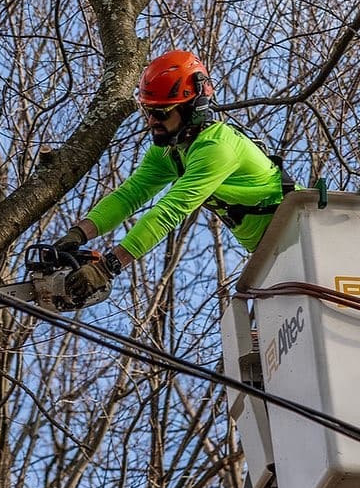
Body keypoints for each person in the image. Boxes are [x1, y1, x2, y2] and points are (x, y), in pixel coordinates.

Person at [49, 49, 294, 308]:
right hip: (273, 251)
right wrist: (77, 235)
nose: (152, 121)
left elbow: (170, 210)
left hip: (301, 229)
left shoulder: (217, 148)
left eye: (162, 113)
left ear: (193, 109)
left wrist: (107, 267)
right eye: (149, 111)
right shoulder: (170, 151)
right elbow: (129, 195)